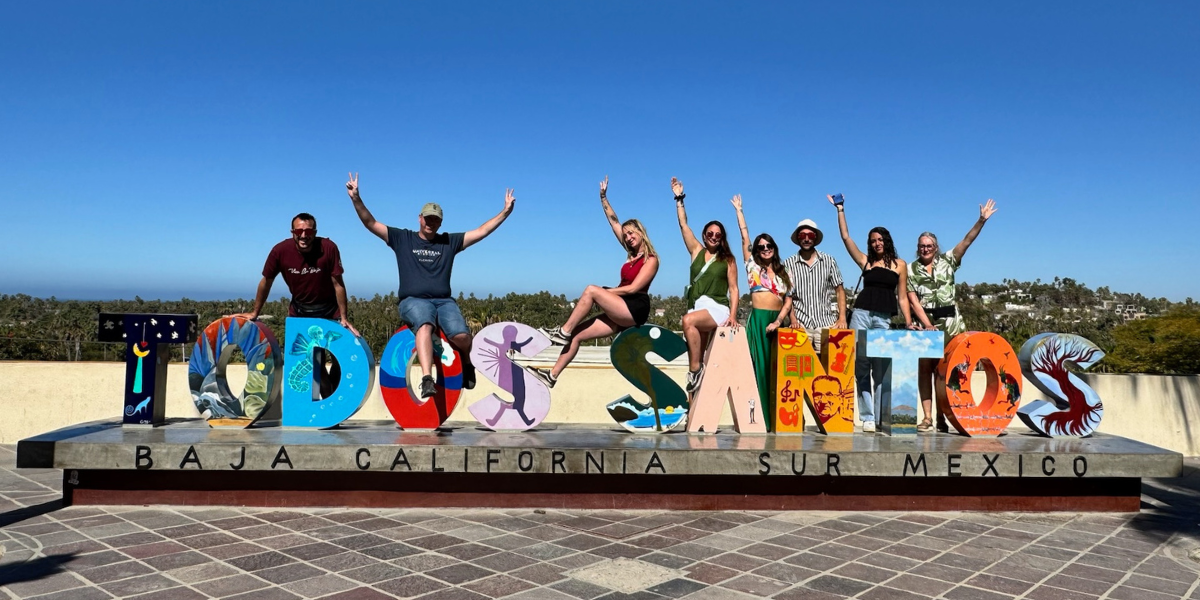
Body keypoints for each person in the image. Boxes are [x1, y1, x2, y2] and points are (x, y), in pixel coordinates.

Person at [346, 173, 514, 398]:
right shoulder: (402, 238)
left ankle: (466, 363)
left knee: (463, 337)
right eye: (427, 218)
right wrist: (356, 198)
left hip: (444, 302)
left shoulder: (449, 241)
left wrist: (504, 213)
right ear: (419, 218)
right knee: (425, 325)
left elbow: (481, 231)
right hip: (413, 300)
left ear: (441, 222)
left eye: (435, 219)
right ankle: (427, 379)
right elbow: (370, 223)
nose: (430, 223)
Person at [533, 177, 660, 388]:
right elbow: (613, 221)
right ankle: (552, 375)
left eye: (631, 233)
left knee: (592, 290)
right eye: (626, 234)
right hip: (619, 309)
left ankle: (561, 332)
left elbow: (634, 288)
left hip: (634, 308)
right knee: (576, 336)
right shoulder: (629, 253)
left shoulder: (651, 259)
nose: (628, 237)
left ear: (641, 232)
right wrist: (603, 197)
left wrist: (607, 292)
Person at [234, 213, 356, 398]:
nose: (304, 235)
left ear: (315, 232)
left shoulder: (328, 248)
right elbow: (266, 282)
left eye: (308, 231)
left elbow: (338, 284)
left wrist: (343, 317)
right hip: (300, 312)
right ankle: (329, 409)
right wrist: (255, 312)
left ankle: (332, 404)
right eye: (299, 231)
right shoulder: (280, 251)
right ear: (293, 232)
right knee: (316, 361)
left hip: (329, 312)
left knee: (340, 360)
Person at [909, 199, 998, 431]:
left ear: (935, 247)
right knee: (925, 371)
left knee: (946, 372)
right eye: (921, 246)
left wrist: (981, 220)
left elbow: (967, 241)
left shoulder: (949, 261)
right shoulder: (910, 269)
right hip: (926, 325)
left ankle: (943, 416)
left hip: (952, 326)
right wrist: (927, 325)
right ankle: (928, 417)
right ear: (917, 247)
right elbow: (912, 300)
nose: (925, 249)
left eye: (929, 245)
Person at [831, 194, 915, 433]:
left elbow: (902, 296)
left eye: (880, 239)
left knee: (880, 367)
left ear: (887, 241)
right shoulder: (866, 262)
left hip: (883, 318)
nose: (877, 243)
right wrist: (840, 210)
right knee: (861, 366)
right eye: (873, 240)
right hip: (861, 314)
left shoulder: (900, 264)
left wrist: (908, 322)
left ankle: (880, 416)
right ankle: (867, 416)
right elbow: (846, 238)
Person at [731, 194, 792, 430]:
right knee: (757, 369)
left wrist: (786, 321)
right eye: (761, 247)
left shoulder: (784, 271)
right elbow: (744, 236)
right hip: (758, 321)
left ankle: (777, 419)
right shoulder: (752, 266)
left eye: (769, 246)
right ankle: (757, 421)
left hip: (777, 323)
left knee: (777, 372)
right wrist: (740, 211)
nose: (765, 249)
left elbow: (789, 301)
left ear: (774, 249)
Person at [674, 177, 739, 394]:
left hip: (717, 308)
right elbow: (683, 224)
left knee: (688, 321)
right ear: (704, 235)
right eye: (710, 234)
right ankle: (694, 414)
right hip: (698, 306)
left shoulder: (728, 260)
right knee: (698, 354)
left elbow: (734, 289)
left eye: (717, 235)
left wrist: (733, 315)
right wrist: (679, 198)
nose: (713, 237)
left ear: (722, 239)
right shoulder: (696, 251)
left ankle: (695, 370)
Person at [781, 219, 846, 353]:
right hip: (800, 324)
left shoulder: (829, 260)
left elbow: (839, 291)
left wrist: (842, 318)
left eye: (810, 236)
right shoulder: (788, 263)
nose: (806, 239)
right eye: (802, 235)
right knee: (800, 370)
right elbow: (788, 296)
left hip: (826, 323)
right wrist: (793, 320)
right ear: (798, 238)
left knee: (830, 370)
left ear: (815, 238)